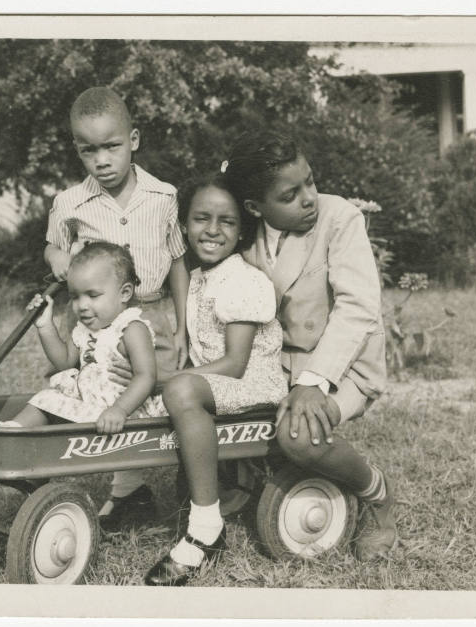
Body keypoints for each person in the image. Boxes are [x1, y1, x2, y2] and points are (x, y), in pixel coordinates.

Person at [226, 129, 394, 563]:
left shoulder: (339, 218)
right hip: (277, 364)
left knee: (299, 436)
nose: (308, 199)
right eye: (290, 194)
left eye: (311, 182)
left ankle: (376, 494)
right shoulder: (243, 236)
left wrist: (314, 381)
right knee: (216, 407)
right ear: (254, 207)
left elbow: (359, 307)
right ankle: (245, 487)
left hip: (344, 365)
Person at [43, 86, 190, 531]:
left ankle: (183, 484)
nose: (102, 160)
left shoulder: (163, 196)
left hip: (152, 315)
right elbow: (53, 248)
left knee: (154, 399)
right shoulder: (69, 202)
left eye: (112, 146)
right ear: (77, 150)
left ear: (134, 140)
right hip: (98, 322)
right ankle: (124, 491)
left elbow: (178, 259)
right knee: (99, 393)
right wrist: (59, 261)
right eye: (89, 151)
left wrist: (182, 325)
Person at [144, 174, 288, 586]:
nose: (212, 229)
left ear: (242, 229)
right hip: (217, 381)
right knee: (147, 382)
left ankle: (206, 527)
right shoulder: (197, 277)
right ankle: (126, 491)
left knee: (178, 387)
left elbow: (235, 363)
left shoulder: (243, 280)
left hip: (251, 383)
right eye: (201, 218)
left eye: (226, 221)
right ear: (185, 227)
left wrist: (170, 379)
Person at [0, 242, 164, 431]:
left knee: (57, 405)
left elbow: (146, 376)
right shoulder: (83, 330)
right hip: (87, 407)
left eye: (92, 295)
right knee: (46, 397)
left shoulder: (131, 327)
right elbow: (64, 363)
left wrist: (119, 410)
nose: (82, 305)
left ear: (124, 293)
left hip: (123, 414)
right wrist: (45, 326)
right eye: (75, 296)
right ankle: (16, 429)